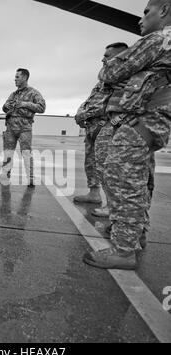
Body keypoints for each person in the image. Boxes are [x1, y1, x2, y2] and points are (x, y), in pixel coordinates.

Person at [83, 0, 171, 270]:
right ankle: (135, 236)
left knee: (122, 180)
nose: (140, 19)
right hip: (149, 121)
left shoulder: (159, 39)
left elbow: (110, 72)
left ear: (164, 10)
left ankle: (123, 251)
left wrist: (121, 72)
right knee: (135, 181)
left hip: (142, 120)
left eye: (146, 12)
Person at [74, 43, 129, 210]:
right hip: (92, 128)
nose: (102, 59)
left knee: (107, 167)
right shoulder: (103, 81)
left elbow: (113, 105)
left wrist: (85, 114)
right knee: (91, 163)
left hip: (107, 127)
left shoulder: (124, 79)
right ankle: (94, 193)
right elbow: (90, 100)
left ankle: (111, 205)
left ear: (120, 56)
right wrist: (80, 112)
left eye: (107, 56)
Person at [0, 68, 46, 187]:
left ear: (24, 78)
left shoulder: (33, 93)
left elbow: (42, 107)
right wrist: (6, 105)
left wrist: (25, 104)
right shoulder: (13, 94)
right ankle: (5, 175)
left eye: (17, 77)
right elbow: (4, 108)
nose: (14, 79)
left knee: (26, 153)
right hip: (10, 128)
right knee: (8, 153)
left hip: (24, 127)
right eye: (15, 77)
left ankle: (30, 179)